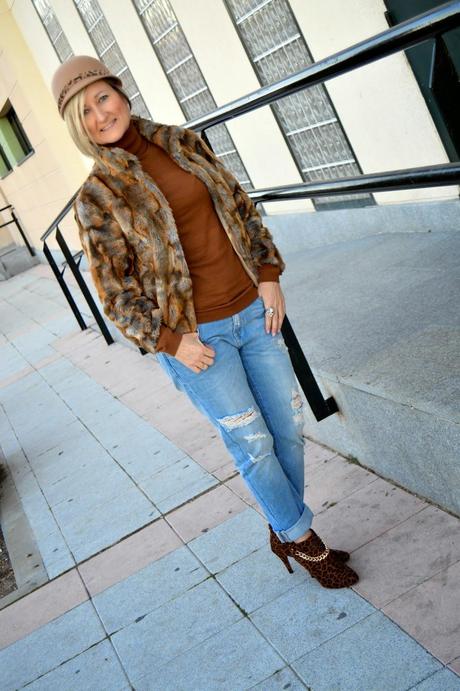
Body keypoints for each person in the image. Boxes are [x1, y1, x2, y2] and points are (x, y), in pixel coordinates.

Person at [51, 55, 358, 589]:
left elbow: (240, 207)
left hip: (252, 311)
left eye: (102, 97)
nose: (100, 115)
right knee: (252, 443)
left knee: (288, 427)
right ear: (79, 128)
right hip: (199, 342)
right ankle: (303, 540)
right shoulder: (98, 196)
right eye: (85, 112)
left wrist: (269, 274)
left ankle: (283, 526)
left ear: (119, 92)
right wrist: (171, 342)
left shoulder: (181, 142)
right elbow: (115, 292)